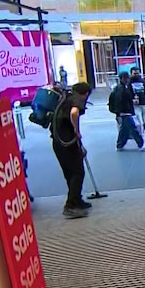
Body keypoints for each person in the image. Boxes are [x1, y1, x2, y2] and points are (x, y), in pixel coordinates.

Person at [51, 82, 92, 218]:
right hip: (67, 143)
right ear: (85, 94)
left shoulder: (65, 99)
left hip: (58, 142)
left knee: (70, 173)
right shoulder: (76, 100)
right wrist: (77, 131)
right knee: (78, 172)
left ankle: (77, 200)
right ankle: (70, 206)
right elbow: (74, 113)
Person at [109, 72, 145, 151]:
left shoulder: (122, 88)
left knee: (124, 130)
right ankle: (141, 144)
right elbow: (120, 102)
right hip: (124, 112)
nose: (127, 80)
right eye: (126, 78)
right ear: (122, 79)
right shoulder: (121, 89)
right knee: (133, 128)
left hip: (124, 112)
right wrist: (121, 112)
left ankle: (120, 145)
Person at [130, 67, 145, 135]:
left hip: (143, 103)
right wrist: (132, 100)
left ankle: (139, 132)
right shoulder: (129, 82)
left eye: (137, 73)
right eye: (134, 73)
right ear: (131, 73)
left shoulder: (143, 81)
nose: (136, 75)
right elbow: (126, 94)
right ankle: (140, 136)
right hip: (135, 105)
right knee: (140, 122)